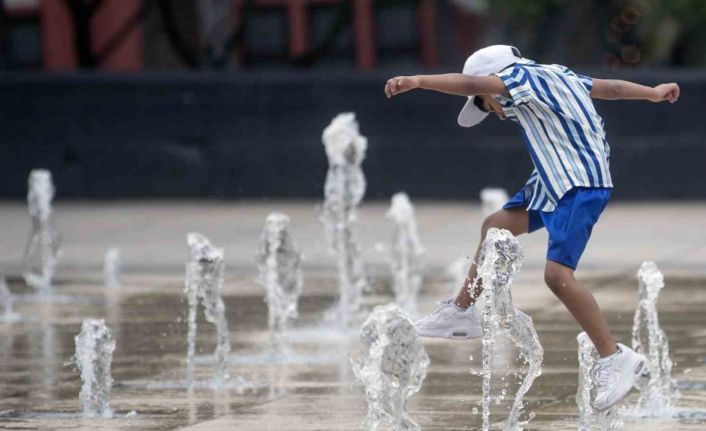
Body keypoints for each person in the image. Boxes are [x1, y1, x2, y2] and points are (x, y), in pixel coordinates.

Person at [384, 45, 680, 410]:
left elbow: (471, 81)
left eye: (482, 104)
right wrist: (651, 93)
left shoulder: (519, 77)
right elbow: (612, 89)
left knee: (557, 277)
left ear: (495, 86)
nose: (490, 112)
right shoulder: (561, 75)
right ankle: (461, 312)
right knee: (496, 227)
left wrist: (417, 80)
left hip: (578, 186)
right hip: (553, 181)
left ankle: (614, 356)